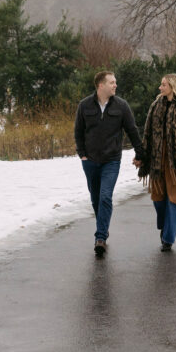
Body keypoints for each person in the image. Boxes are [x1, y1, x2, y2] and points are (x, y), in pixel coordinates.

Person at [74, 70, 144, 257]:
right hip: (90, 161)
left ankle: (100, 237)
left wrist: (141, 154)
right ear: (100, 85)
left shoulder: (121, 106)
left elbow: (132, 130)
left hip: (111, 161)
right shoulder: (84, 106)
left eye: (115, 82)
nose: (115, 85)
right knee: (96, 199)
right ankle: (103, 226)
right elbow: (78, 131)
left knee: (105, 196)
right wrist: (82, 154)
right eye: (112, 82)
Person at [136, 73, 176, 252]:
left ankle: (168, 239)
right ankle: (165, 226)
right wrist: (142, 157)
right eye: (161, 84)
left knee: (173, 200)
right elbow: (147, 134)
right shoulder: (156, 106)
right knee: (158, 200)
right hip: (156, 161)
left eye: (163, 85)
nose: (160, 88)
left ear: (172, 87)